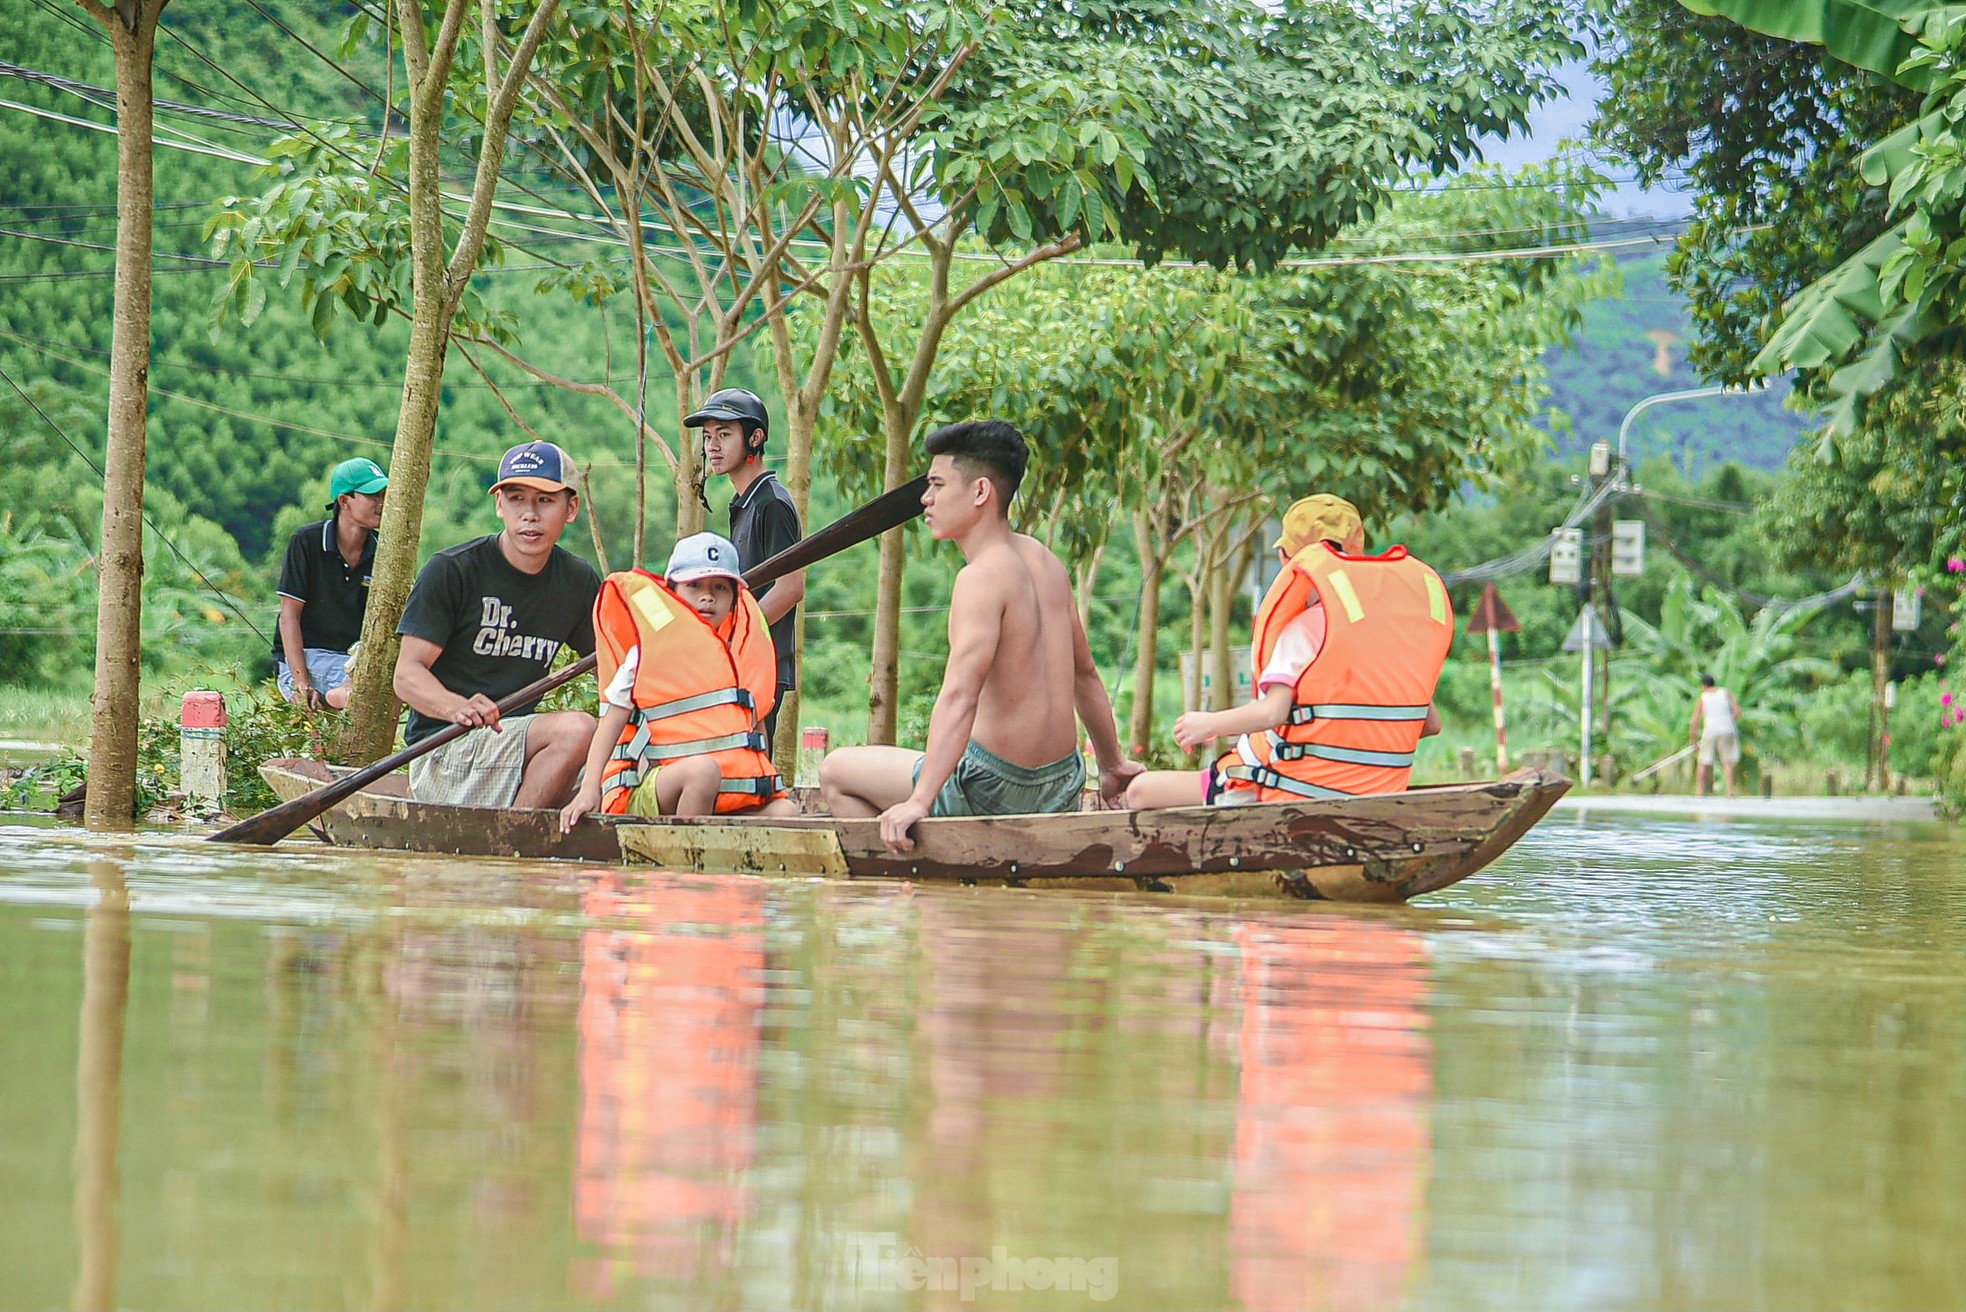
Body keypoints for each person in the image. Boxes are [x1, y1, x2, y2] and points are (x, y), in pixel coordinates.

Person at [818, 420, 1141, 850]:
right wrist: (1111, 763)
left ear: (981, 492)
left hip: (992, 787)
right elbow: (1085, 674)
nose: (925, 499)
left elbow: (960, 695)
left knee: (835, 772)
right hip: (1063, 782)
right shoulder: (1046, 562)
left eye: (937, 485)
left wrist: (920, 799)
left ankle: (902, 881)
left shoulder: (979, 578)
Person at [1126, 494, 1449, 810]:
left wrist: (1208, 723)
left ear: (1287, 559)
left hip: (1285, 788)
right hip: (1374, 790)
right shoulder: (1387, 635)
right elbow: (1429, 723)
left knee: (1139, 791)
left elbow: (1272, 713)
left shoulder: (1303, 631)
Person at [393, 441, 603, 809]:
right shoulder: (452, 570)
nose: (530, 515)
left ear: (571, 509)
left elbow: (613, 665)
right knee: (578, 729)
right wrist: (455, 707)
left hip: (517, 750)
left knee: (626, 759)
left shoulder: (577, 581)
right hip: (446, 751)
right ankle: (514, 843)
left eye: (545, 501)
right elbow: (407, 675)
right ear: (499, 505)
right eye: (517, 498)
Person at [558, 532, 799, 831]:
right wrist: (589, 788)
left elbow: (753, 735)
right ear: (672, 593)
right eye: (694, 585)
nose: (707, 596)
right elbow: (610, 723)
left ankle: (722, 857)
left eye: (720, 588)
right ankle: (682, 864)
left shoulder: (739, 654)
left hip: (721, 791)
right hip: (647, 787)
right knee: (702, 772)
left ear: (735, 599)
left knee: (786, 812)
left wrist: (756, 788)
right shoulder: (646, 653)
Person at [686, 388, 804, 749]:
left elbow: (790, 587)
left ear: (755, 438)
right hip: (743, 658)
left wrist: (735, 635)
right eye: (708, 436)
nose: (712, 446)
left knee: (748, 765)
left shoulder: (771, 503)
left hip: (762, 661)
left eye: (724, 434)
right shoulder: (745, 502)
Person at [272, 457, 389, 709]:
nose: (381, 503)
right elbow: (288, 616)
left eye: (384, 494)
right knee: (368, 686)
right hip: (306, 657)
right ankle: (339, 692)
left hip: (353, 658)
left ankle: (341, 691)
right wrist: (300, 683)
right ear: (344, 501)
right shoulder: (307, 541)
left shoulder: (383, 551)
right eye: (372, 495)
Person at [1690, 672, 1742, 797]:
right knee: (1727, 761)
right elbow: (1737, 712)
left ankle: (1699, 792)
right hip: (1727, 729)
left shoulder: (1703, 697)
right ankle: (1730, 790)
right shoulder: (1726, 693)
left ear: (1703, 685)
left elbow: (1694, 721)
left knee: (1703, 761)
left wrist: (1693, 740)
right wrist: (1727, 721)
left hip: (1711, 730)